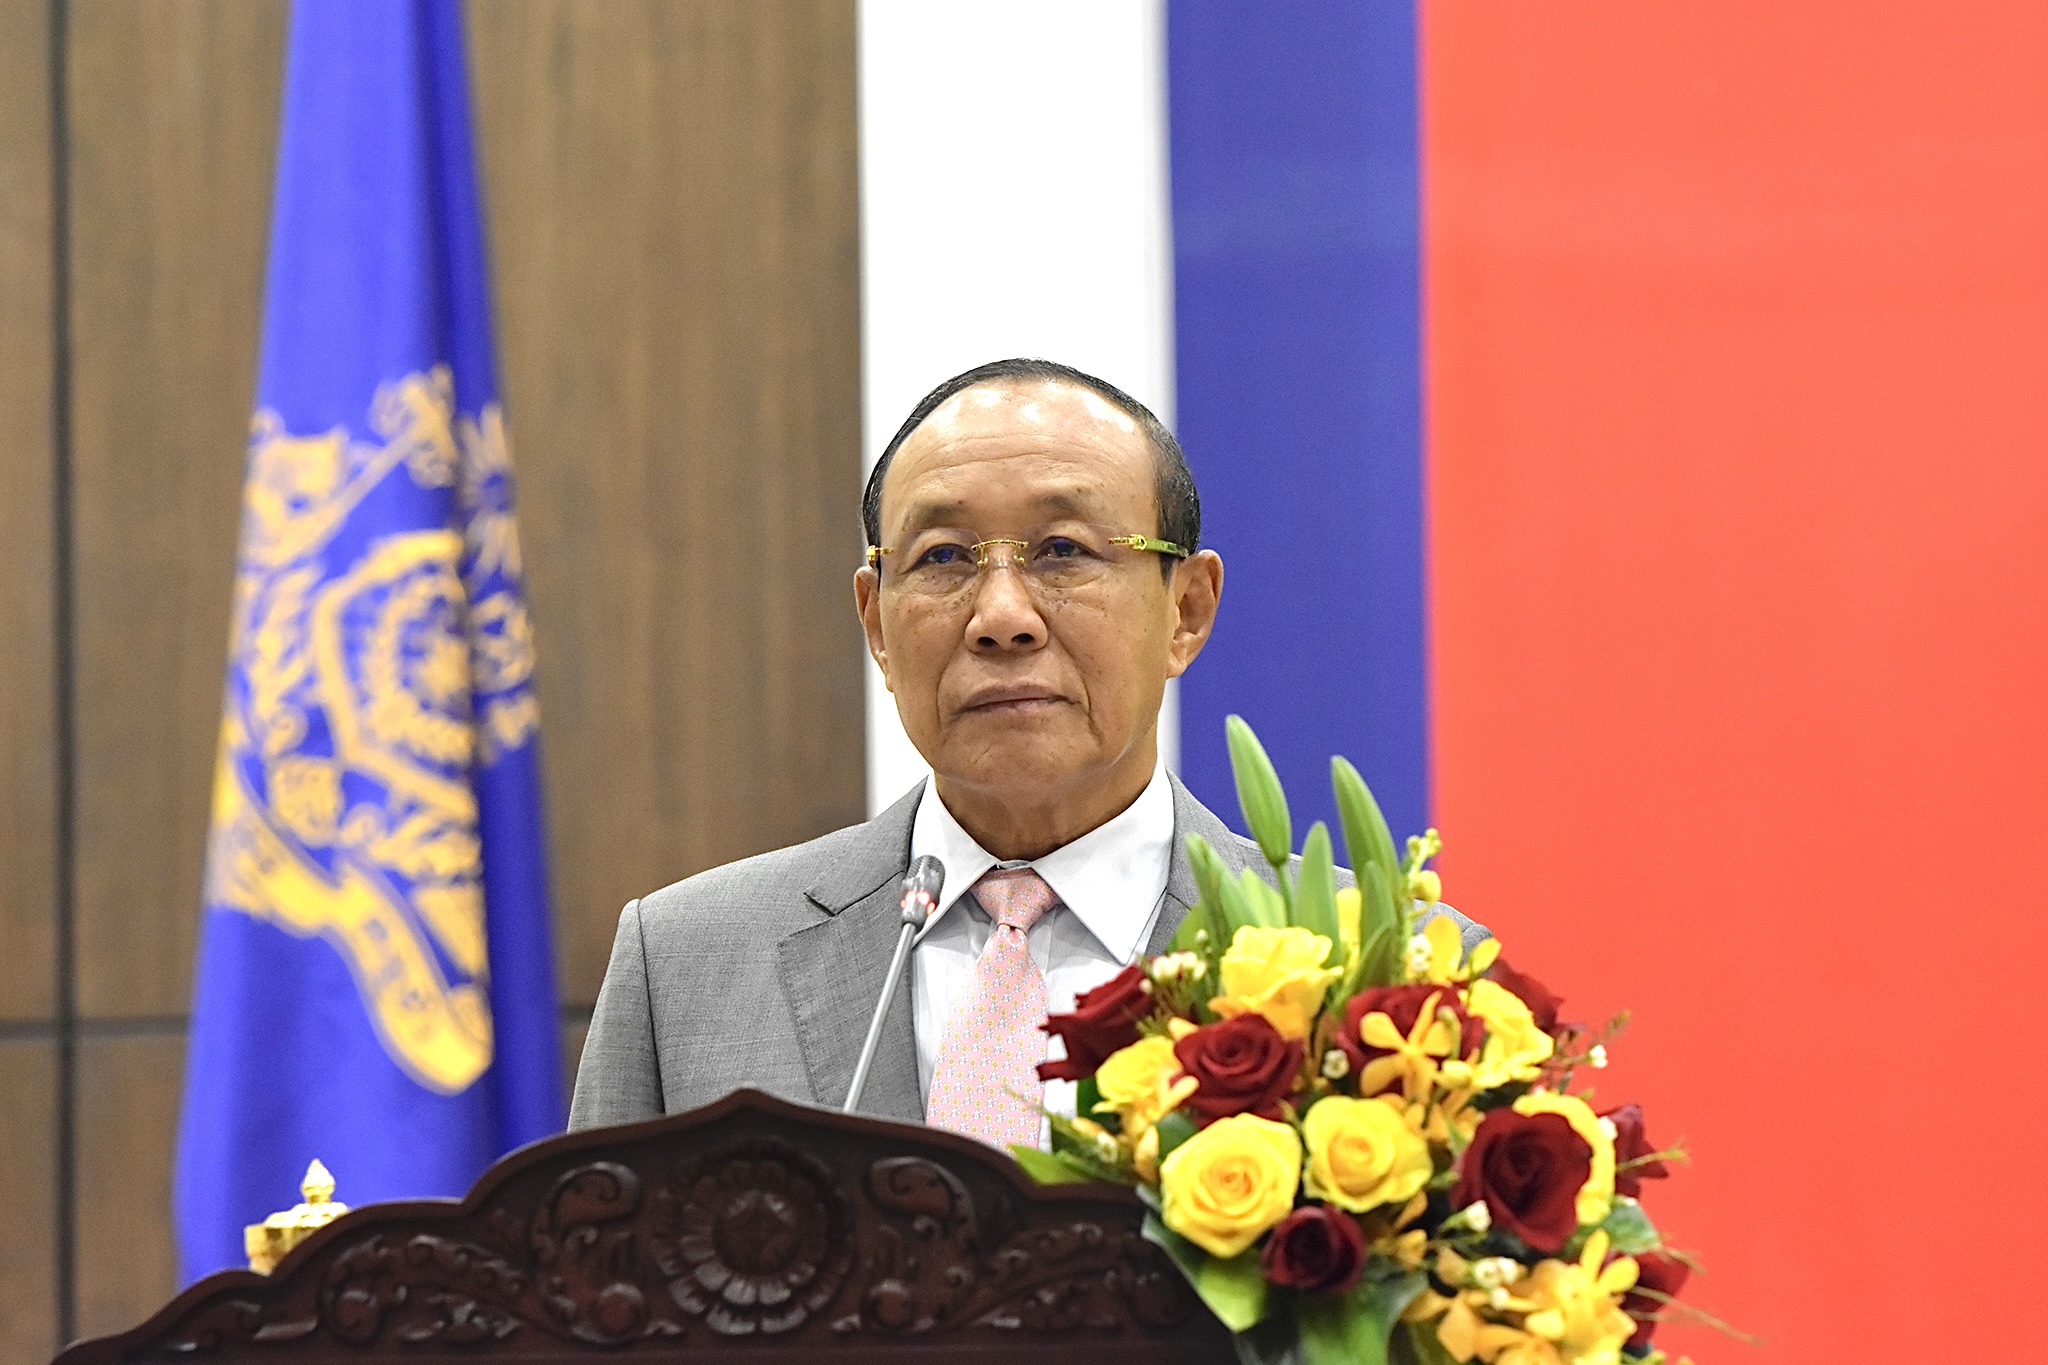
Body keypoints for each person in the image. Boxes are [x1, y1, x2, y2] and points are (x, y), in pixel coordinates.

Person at [568, 358, 1484, 1147]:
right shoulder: (684, 966)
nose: (1001, 616)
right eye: (942, 557)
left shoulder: (1389, 979)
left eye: (1062, 549)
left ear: (1187, 610)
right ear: (876, 624)